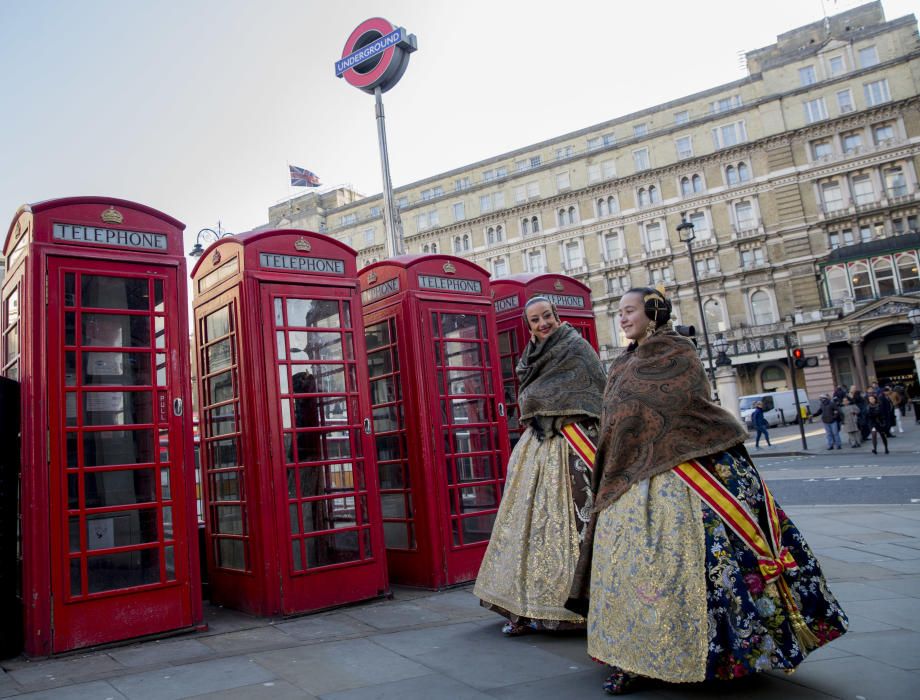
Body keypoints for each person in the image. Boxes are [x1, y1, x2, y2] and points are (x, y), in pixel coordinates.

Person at [565, 287, 848, 695]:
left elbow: (682, 403)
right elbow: (618, 417)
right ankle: (637, 654)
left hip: (685, 472)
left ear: (653, 312)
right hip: (630, 480)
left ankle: (721, 654)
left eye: (630, 311)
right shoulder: (624, 360)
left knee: (701, 570)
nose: (623, 319)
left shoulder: (677, 351)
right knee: (637, 573)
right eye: (620, 313)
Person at [475, 296, 606, 635]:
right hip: (538, 443)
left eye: (547, 316)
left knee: (572, 526)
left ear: (557, 316)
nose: (542, 323)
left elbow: (596, 390)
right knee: (527, 527)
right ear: (528, 325)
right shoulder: (530, 356)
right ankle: (524, 606)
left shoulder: (578, 348)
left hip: (573, 445)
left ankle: (585, 606)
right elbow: (531, 393)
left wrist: (560, 413)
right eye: (535, 320)